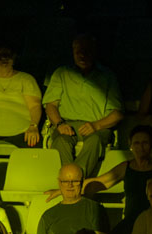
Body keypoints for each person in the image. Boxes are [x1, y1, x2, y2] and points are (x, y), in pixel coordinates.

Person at [42, 33, 123, 178]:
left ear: (94, 52)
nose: (82, 55)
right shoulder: (62, 73)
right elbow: (50, 105)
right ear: (73, 52)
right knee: (61, 140)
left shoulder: (108, 76)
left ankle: (74, 181)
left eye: (87, 51)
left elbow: (117, 113)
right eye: (78, 51)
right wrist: (60, 124)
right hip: (67, 124)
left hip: (97, 125)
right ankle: (71, 181)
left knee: (95, 141)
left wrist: (96, 125)